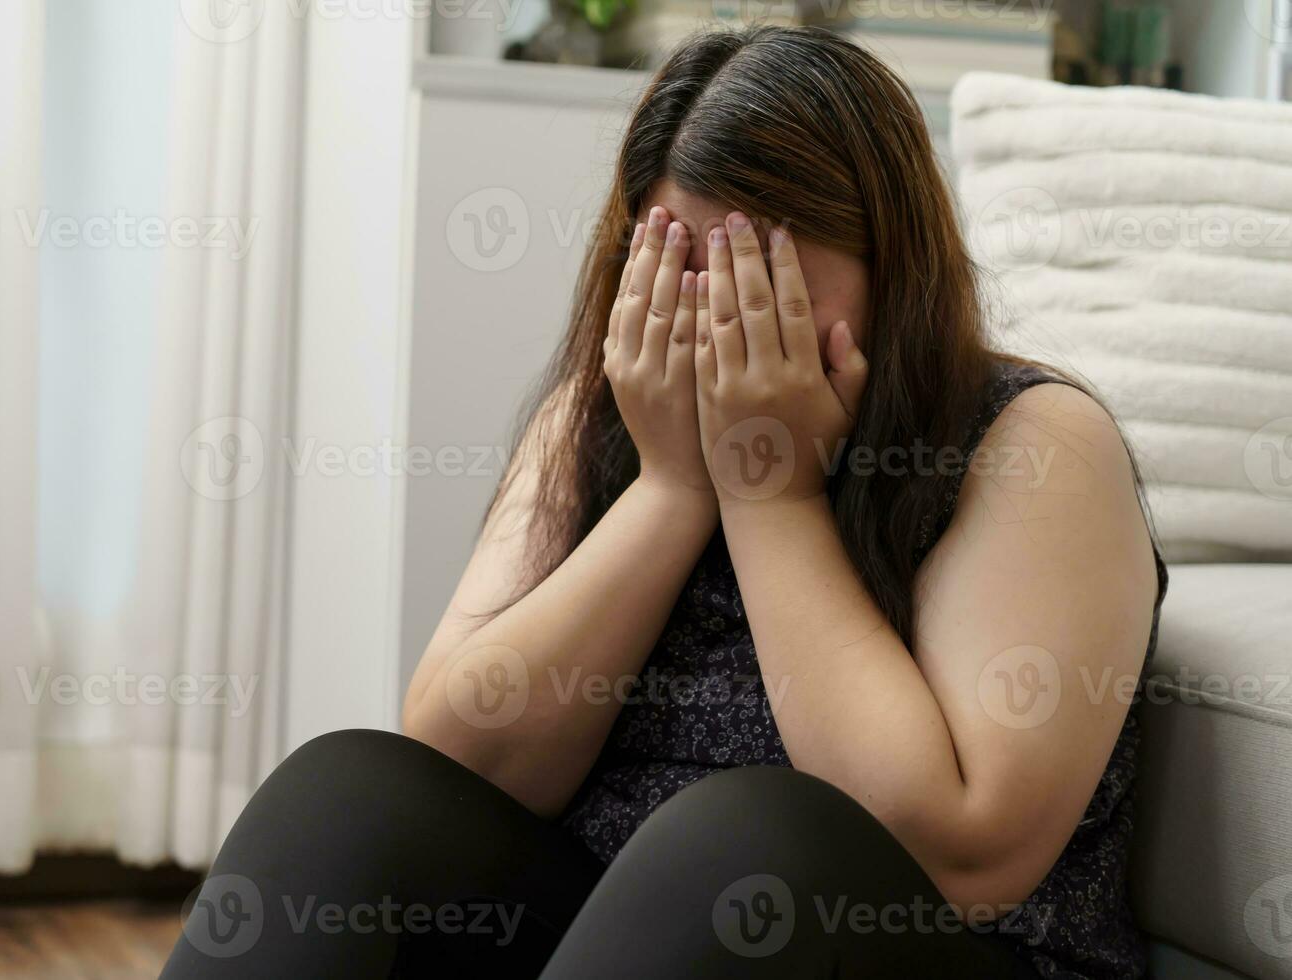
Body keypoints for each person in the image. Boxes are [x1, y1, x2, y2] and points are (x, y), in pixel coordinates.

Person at [162, 25, 1167, 979]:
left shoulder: (1031, 442)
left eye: (760, 272)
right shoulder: (603, 414)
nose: (720, 317)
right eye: (681, 265)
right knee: (348, 796)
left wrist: (771, 496)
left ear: (889, 268)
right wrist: (674, 487)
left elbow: (960, 850)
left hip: (895, 943)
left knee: (739, 844)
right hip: (622, 933)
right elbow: (461, 760)